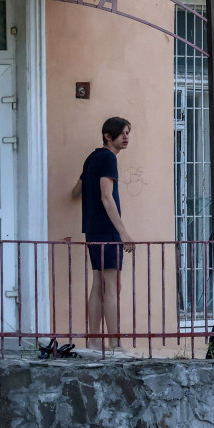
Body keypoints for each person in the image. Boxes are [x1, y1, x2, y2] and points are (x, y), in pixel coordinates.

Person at [72, 117, 135, 354]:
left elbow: (75, 191)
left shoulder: (92, 157)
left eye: (128, 133)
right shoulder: (108, 158)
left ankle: (94, 341)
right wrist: (123, 232)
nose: (126, 137)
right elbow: (106, 196)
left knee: (98, 284)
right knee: (112, 286)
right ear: (108, 136)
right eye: (122, 133)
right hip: (108, 230)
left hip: (92, 229)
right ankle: (115, 343)